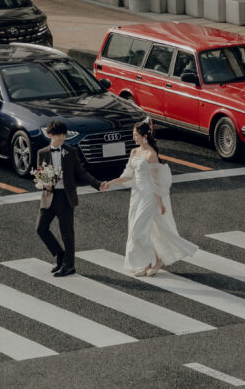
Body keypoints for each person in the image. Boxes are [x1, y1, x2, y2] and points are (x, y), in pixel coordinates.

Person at [102, 118, 198, 276]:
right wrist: (112, 182)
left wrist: (160, 203)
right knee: (136, 230)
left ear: (145, 135)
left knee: (139, 231)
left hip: (148, 195)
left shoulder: (151, 155)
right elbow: (128, 175)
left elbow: (156, 182)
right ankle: (147, 263)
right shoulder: (134, 152)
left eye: (136, 135)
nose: (134, 138)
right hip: (136, 194)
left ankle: (156, 260)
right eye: (133, 135)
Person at [35, 118, 105, 277]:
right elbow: (40, 174)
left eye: (63, 135)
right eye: (58, 135)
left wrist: (97, 184)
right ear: (50, 135)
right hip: (49, 197)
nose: (61, 138)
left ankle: (69, 265)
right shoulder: (42, 153)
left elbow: (81, 172)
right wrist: (42, 182)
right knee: (40, 229)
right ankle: (59, 254)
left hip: (66, 197)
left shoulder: (70, 152)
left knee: (67, 233)